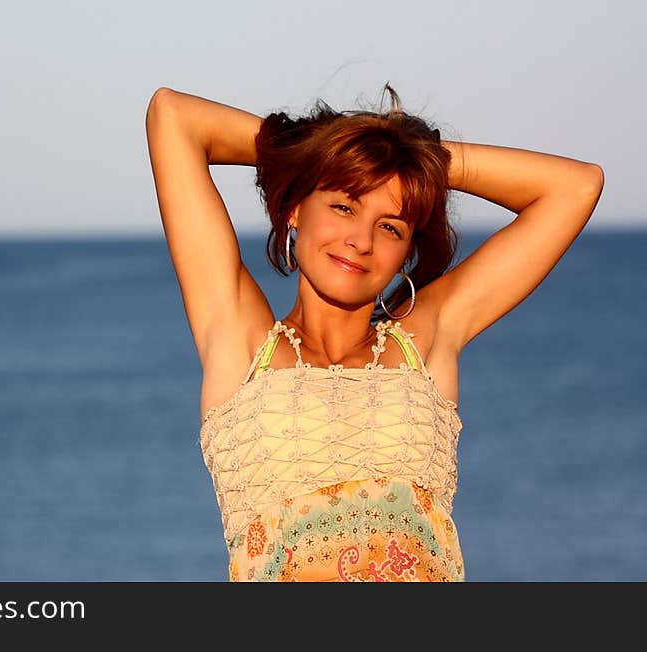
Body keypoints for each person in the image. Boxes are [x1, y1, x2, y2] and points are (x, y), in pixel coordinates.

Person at [144, 83, 603, 582]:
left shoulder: (424, 344)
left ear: (406, 251)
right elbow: (174, 117)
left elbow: (575, 186)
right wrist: (328, 148)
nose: (361, 240)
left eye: (390, 226)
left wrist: (411, 158)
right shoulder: (242, 343)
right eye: (344, 206)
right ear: (296, 208)